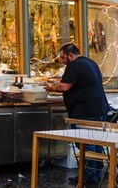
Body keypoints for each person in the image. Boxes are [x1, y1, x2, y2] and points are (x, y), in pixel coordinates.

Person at [44, 43, 110, 185]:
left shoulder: (74, 65)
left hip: (84, 112)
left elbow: (64, 86)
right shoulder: (90, 62)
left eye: (63, 57)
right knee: (97, 143)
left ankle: (89, 177)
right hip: (99, 110)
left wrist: (51, 87)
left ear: (71, 55)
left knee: (86, 144)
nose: (62, 61)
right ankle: (97, 174)